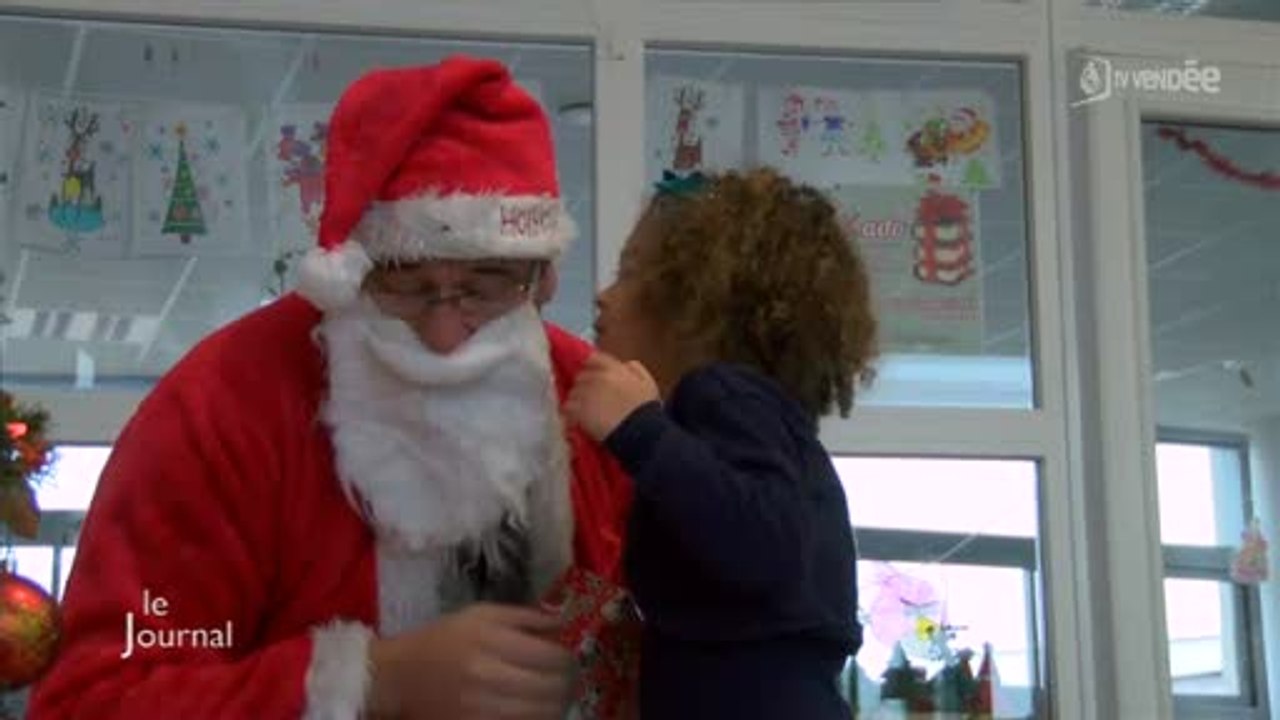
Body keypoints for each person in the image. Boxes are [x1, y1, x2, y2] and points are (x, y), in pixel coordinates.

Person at [28, 57, 632, 720]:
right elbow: (99, 697)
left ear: (543, 281)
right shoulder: (225, 405)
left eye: (488, 285)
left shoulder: (596, 409)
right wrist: (370, 683)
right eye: (405, 284)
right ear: (352, 273)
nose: (444, 333)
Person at [565, 167, 878, 719]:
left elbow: (764, 542)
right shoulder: (748, 423)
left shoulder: (725, 395)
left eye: (628, 273)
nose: (603, 296)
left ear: (694, 304)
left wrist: (640, 430)